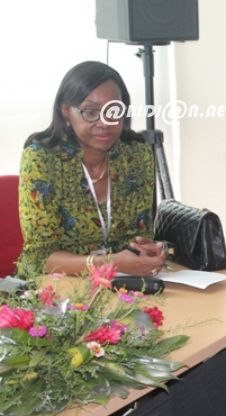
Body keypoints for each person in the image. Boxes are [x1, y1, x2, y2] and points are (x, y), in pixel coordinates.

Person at [16, 61, 165, 279]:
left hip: (121, 282)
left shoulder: (136, 155)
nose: (105, 122)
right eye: (91, 112)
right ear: (66, 111)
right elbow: (40, 257)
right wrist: (110, 262)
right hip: (55, 285)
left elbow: (138, 234)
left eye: (113, 111)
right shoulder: (41, 159)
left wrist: (144, 249)